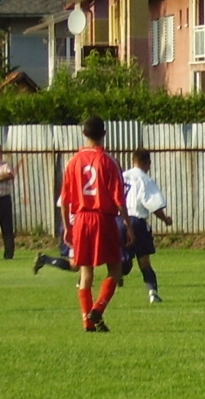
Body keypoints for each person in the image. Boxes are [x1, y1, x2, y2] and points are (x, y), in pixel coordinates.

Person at [60, 116, 135, 332]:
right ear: (104, 134)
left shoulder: (72, 162)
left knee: (86, 273)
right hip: (103, 219)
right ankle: (98, 309)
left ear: (84, 134)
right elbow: (119, 200)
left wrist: (67, 227)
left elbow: (64, 200)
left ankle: (87, 321)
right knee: (115, 269)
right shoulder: (109, 162)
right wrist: (128, 226)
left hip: (82, 219)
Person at [121, 148, 173, 303]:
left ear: (133, 161)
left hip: (118, 222)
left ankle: (116, 277)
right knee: (144, 262)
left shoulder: (121, 177)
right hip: (136, 222)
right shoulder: (144, 179)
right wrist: (165, 219)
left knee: (120, 261)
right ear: (147, 163)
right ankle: (152, 294)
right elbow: (153, 205)